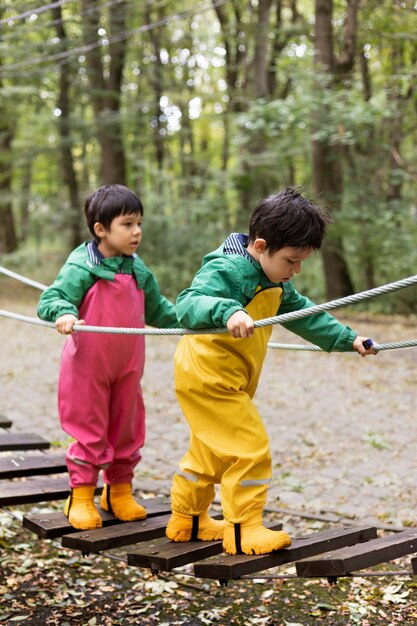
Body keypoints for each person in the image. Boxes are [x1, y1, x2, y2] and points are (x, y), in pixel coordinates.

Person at [165, 187, 378, 556]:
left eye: (301, 263)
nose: (296, 271)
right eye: (292, 260)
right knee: (250, 448)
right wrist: (228, 311)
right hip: (209, 377)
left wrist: (348, 338)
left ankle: (189, 518)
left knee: (210, 452)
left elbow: (305, 317)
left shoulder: (275, 280)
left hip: (228, 377)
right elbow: (189, 303)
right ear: (261, 246)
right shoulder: (228, 269)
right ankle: (243, 528)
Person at [38, 184, 178, 531]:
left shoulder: (137, 269)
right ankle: (81, 495)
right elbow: (52, 298)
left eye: (139, 223)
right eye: (128, 224)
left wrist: (197, 320)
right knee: (89, 428)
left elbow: (159, 310)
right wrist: (64, 313)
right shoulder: (82, 265)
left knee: (127, 427)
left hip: (128, 368)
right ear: (101, 229)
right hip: (88, 367)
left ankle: (118, 491)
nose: (137, 232)